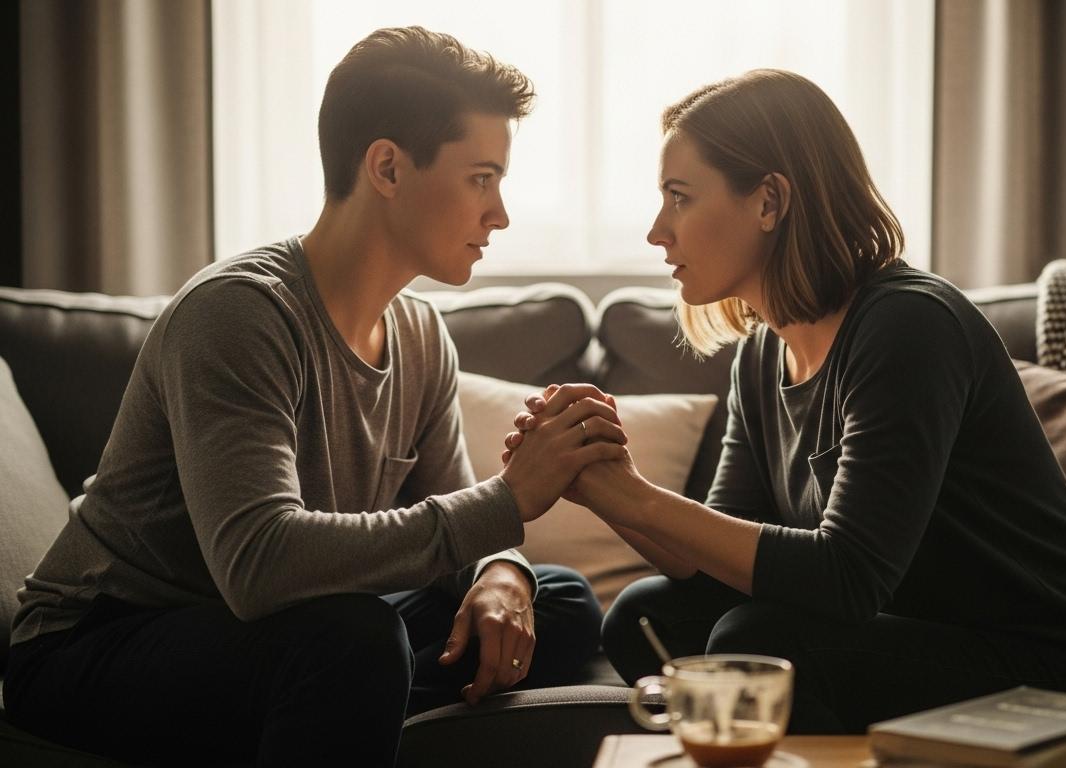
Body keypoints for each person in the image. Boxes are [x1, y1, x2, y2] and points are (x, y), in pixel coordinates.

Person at [3, 27, 627, 766]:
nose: (500, 214)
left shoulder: (421, 334)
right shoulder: (240, 314)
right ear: (388, 168)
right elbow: (260, 563)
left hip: (281, 630)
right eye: (481, 178)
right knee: (352, 642)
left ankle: (340, 712)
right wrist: (509, 499)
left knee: (551, 602)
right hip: (104, 638)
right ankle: (348, 698)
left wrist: (500, 570)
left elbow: (459, 527)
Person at [507, 69, 1066, 733]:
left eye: (679, 198)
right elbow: (712, 565)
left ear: (769, 201)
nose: (657, 231)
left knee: (763, 642)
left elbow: (848, 577)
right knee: (645, 615)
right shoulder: (761, 356)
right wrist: (597, 482)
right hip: (923, 635)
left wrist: (637, 498)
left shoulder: (907, 326)